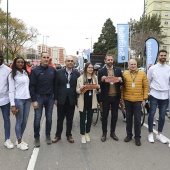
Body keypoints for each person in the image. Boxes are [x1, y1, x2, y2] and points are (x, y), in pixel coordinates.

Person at [30, 52, 56, 147]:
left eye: (47, 57)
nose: (46, 59)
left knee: (49, 118)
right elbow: (32, 86)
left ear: (49, 59)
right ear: (40, 59)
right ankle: (36, 137)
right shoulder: (35, 70)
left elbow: (55, 85)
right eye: (44, 57)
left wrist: (55, 98)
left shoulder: (53, 70)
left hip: (50, 97)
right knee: (37, 118)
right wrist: (34, 100)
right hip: (39, 97)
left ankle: (48, 135)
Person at [52, 56, 80, 143]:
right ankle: (58, 135)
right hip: (61, 99)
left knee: (70, 119)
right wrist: (55, 98)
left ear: (74, 63)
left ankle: (69, 135)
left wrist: (77, 99)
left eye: (72, 61)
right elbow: (55, 86)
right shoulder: (58, 72)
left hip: (71, 99)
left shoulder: (76, 73)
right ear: (65, 62)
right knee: (60, 119)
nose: (70, 62)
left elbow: (78, 86)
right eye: (68, 61)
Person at [121, 59, 148, 146]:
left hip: (138, 101)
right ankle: (129, 135)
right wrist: (122, 99)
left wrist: (144, 99)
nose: (133, 66)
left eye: (134, 64)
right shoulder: (125, 74)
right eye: (131, 64)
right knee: (128, 119)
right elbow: (122, 88)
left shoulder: (142, 74)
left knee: (137, 120)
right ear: (128, 66)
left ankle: (137, 137)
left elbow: (145, 87)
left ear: (137, 65)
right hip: (128, 100)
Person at [98, 54, 123, 142]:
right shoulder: (101, 71)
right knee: (105, 116)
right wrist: (102, 80)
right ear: (105, 61)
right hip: (106, 97)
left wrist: (121, 80)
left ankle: (113, 132)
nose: (110, 61)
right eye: (108, 60)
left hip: (115, 97)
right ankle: (104, 133)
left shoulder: (118, 70)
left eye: (111, 60)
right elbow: (98, 85)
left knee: (115, 115)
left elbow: (122, 83)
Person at [147, 49, 170, 144]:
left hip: (165, 95)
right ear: (158, 56)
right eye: (162, 55)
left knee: (162, 117)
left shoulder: (169, 68)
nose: (163, 57)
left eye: (165, 55)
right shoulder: (152, 68)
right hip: (154, 95)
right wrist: (149, 91)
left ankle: (159, 134)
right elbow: (148, 80)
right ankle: (150, 133)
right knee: (151, 114)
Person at [9, 57, 31, 150]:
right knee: (19, 121)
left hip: (27, 99)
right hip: (18, 100)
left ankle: (20, 139)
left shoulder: (25, 73)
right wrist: (13, 105)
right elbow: (11, 91)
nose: (20, 64)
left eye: (22, 62)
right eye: (18, 62)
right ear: (15, 63)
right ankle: (19, 142)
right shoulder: (12, 74)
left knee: (25, 121)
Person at [76, 62, 100, 143]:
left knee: (89, 119)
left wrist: (98, 87)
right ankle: (82, 135)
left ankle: (87, 133)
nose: (90, 69)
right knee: (82, 120)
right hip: (83, 101)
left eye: (92, 68)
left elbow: (97, 90)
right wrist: (81, 88)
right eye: (89, 67)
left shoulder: (95, 78)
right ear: (86, 68)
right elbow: (77, 90)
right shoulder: (80, 78)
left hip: (91, 101)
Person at [0, 50, 14, 149]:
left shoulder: (8, 70)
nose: (0, 58)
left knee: (7, 120)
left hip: (5, 100)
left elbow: (11, 87)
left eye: (1, 56)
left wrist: (12, 102)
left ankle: (7, 139)